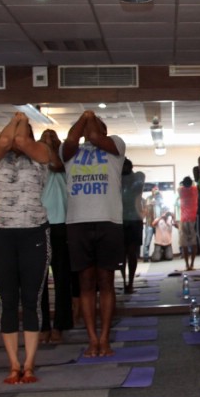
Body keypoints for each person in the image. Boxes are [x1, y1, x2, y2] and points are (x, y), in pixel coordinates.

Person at [0, 112, 56, 384]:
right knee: (8, 301)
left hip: (34, 231)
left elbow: (21, 141)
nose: (16, 136)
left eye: (22, 129)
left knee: (31, 299)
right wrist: (17, 120)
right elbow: (5, 140)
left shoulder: (40, 153)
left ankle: (29, 364)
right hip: (1, 234)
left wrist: (22, 123)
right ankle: (14, 364)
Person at [62, 110, 126, 357]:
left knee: (106, 282)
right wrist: (85, 116)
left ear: (104, 130)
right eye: (84, 126)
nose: (88, 130)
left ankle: (105, 338)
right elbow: (71, 140)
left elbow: (96, 137)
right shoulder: (69, 152)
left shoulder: (115, 145)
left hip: (109, 221)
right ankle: (92, 339)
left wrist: (90, 120)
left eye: (94, 125)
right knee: (86, 283)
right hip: (77, 223)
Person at [38, 129, 74, 342]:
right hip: (39, 223)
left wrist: (51, 145)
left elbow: (56, 165)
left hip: (62, 223)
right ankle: (43, 326)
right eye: (44, 137)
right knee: (39, 280)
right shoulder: (36, 160)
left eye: (53, 137)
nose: (49, 139)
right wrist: (44, 145)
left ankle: (60, 325)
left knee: (62, 279)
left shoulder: (65, 159)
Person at [120, 159, 145, 293]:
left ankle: (130, 283)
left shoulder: (137, 179)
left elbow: (139, 179)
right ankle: (126, 282)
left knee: (131, 253)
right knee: (123, 254)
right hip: (122, 220)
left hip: (134, 219)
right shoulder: (118, 180)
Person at [178, 176, 199, 271]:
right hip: (194, 218)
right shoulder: (195, 190)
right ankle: (192, 264)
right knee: (194, 243)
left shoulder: (180, 191)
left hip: (184, 219)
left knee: (184, 244)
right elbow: (195, 185)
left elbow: (180, 186)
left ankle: (187, 265)